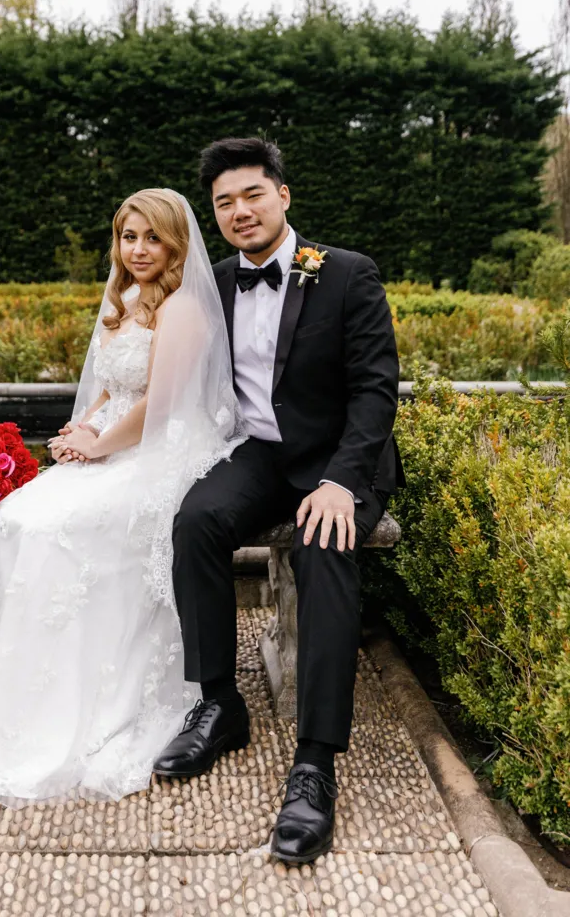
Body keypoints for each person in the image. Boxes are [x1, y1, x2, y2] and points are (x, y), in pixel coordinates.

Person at [0, 188, 245, 805]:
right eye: (129, 237)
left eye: (153, 238)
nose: (138, 250)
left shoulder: (184, 310)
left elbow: (159, 407)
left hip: (162, 452)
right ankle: (20, 692)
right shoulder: (123, 296)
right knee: (21, 518)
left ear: (176, 243)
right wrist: (83, 429)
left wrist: (101, 447)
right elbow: (111, 388)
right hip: (117, 440)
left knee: (60, 530)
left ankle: (89, 696)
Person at [152, 137, 405, 866]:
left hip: (337, 459)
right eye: (224, 202)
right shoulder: (216, 283)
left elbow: (375, 390)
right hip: (260, 451)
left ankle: (315, 763)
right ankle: (219, 703)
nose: (239, 211)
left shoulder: (349, 274)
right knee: (196, 520)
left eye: (251, 195)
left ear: (282, 196)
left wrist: (340, 481)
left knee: (324, 545)